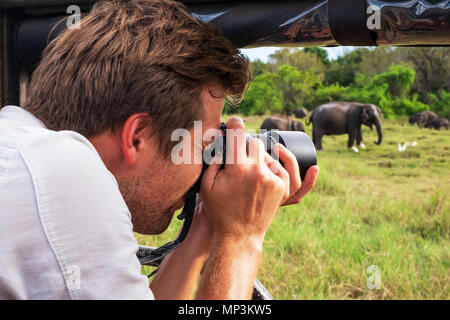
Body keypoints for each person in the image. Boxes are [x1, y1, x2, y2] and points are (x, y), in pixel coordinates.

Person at [0, 0, 319, 299]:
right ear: (137, 136)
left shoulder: (20, 143)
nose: (208, 161)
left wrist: (206, 223)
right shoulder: (66, 181)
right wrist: (241, 237)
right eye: (205, 146)